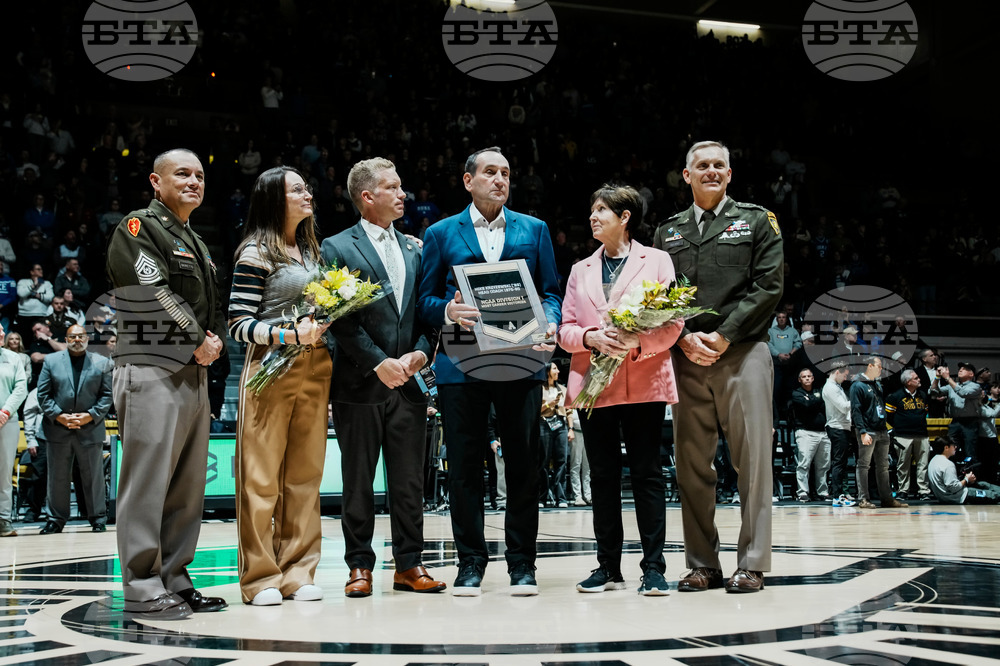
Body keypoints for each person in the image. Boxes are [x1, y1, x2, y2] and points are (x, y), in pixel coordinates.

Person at [417, 146, 561, 596]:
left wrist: (552, 321)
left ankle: (522, 564)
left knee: (522, 463)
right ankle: (470, 563)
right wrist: (449, 309)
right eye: (490, 172)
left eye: (506, 173)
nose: (500, 180)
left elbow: (550, 292)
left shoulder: (534, 229)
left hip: (522, 360)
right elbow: (424, 303)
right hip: (462, 361)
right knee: (463, 467)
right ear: (468, 180)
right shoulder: (440, 233)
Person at [653, 140, 783, 593]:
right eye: (702, 165)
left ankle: (752, 562)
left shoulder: (756, 220)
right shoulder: (666, 232)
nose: (711, 171)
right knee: (691, 465)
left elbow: (769, 287)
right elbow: (658, 296)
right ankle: (702, 563)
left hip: (744, 352)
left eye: (719, 166)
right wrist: (682, 335)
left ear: (730, 174)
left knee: (753, 463)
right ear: (685, 175)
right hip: (685, 355)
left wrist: (724, 334)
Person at [106, 148, 227, 619]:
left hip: (192, 373)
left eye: (199, 175)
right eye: (182, 174)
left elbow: (205, 304)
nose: (194, 181)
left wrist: (208, 345)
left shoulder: (193, 239)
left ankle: (175, 579)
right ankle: (141, 585)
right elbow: (149, 291)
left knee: (185, 488)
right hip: (150, 367)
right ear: (156, 182)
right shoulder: (139, 227)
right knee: (148, 483)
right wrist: (199, 340)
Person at [321, 158, 445, 598]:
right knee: (357, 480)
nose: (403, 194)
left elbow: (429, 312)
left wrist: (420, 354)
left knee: (409, 482)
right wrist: (377, 362)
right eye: (392, 188)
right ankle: (359, 566)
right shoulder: (335, 247)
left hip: (409, 383)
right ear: (367, 196)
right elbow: (338, 320)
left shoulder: (417, 246)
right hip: (359, 382)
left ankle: (409, 565)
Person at [560, 184, 683, 595]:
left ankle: (654, 568)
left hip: (644, 379)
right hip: (594, 385)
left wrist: (638, 343)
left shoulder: (658, 260)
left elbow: (672, 323)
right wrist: (591, 337)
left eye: (601, 211)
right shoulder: (581, 269)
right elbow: (565, 330)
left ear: (625, 217)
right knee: (603, 477)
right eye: (592, 210)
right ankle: (607, 567)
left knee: (648, 474)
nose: (593, 217)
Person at [228, 166, 331, 606]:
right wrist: (287, 335)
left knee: (305, 476)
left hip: (316, 367)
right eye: (297, 190)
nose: (307, 194)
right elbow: (237, 324)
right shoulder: (255, 251)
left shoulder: (314, 252)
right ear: (274, 199)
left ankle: (299, 570)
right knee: (261, 477)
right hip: (270, 367)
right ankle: (260, 577)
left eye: (307, 188)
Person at [35, 325, 113, 534]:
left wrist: (90, 415)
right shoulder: (51, 361)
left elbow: (107, 396)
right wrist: (60, 416)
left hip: (90, 427)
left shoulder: (102, 362)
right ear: (66, 338)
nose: (77, 339)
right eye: (73, 336)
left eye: (81, 336)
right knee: (57, 477)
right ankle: (55, 520)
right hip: (57, 428)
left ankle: (97, 518)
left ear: (87, 338)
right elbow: (43, 395)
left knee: (93, 476)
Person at [849, 355, 908, 509]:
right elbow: (856, 410)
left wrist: (886, 428)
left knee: (883, 466)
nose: (881, 369)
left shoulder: (878, 385)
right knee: (864, 465)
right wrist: (862, 431)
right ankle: (863, 499)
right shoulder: (858, 385)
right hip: (867, 430)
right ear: (870, 366)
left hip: (882, 430)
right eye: (879, 366)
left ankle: (887, 499)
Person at [885, 369, 932, 501]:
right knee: (903, 464)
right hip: (902, 435)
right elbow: (889, 416)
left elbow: (925, 411)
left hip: (922, 434)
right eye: (916, 378)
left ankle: (923, 491)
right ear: (907, 382)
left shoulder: (922, 395)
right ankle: (903, 490)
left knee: (923, 464)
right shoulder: (895, 396)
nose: (919, 380)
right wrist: (896, 429)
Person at [0, 322, 28, 537]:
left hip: (6, 422)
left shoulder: (13, 358)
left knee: (4, 472)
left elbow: (21, 387)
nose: (2, 333)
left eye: (2, 330)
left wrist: (5, 412)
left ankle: (3, 520)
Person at [789, 368, 831, 501]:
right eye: (804, 377)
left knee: (823, 465)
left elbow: (822, 405)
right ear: (799, 380)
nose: (807, 378)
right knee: (804, 464)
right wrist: (815, 400)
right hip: (805, 432)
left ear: (813, 378)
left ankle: (822, 492)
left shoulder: (819, 391)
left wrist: (813, 400)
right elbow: (807, 405)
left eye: (809, 376)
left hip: (823, 433)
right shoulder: (796, 393)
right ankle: (802, 492)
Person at [932, 362, 984, 462]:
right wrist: (937, 378)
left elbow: (963, 393)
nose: (960, 370)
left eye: (964, 369)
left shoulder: (975, 386)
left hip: (970, 422)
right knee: (949, 449)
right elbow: (933, 392)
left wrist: (947, 378)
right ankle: (951, 472)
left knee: (970, 450)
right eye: (960, 368)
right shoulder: (951, 386)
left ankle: (970, 475)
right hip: (955, 421)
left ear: (971, 374)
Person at [928, 435, 1000, 504]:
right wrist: (967, 479)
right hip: (959, 497)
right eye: (953, 446)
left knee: (983, 484)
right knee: (993, 495)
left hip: (944, 496)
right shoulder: (947, 464)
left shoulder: (933, 461)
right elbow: (954, 488)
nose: (955, 447)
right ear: (946, 448)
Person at [822, 361, 855, 505]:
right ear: (837, 372)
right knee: (838, 463)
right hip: (837, 428)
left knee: (841, 462)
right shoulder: (830, 388)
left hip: (842, 427)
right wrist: (858, 399)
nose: (846, 378)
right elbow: (843, 407)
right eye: (845, 375)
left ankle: (840, 494)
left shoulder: (836, 386)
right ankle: (837, 496)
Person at [539, 362, 571, 508]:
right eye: (554, 368)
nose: (558, 371)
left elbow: (569, 410)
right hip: (544, 424)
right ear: (547, 372)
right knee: (543, 462)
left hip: (561, 425)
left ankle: (561, 498)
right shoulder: (540, 389)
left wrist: (570, 428)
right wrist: (548, 404)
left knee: (561, 462)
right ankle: (542, 497)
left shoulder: (563, 389)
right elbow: (535, 410)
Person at [567, 407, 591, 506]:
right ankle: (577, 496)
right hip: (576, 432)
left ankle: (588, 495)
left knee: (587, 466)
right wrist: (570, 429)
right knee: (576, 465)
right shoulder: (573, 398)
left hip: (588, 432)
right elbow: (569, 413)